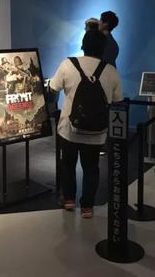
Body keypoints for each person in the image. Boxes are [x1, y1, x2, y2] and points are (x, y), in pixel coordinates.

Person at [49, 30, 122, 218]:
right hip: (97, 131)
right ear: (103, 48)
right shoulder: (111, 71)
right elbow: (117, 99)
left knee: (68, 164)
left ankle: (69, 200)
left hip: (69, 129)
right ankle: (87, 207)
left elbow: (53, 87)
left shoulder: (68, 64)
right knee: (91, 168)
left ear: (83, 45)